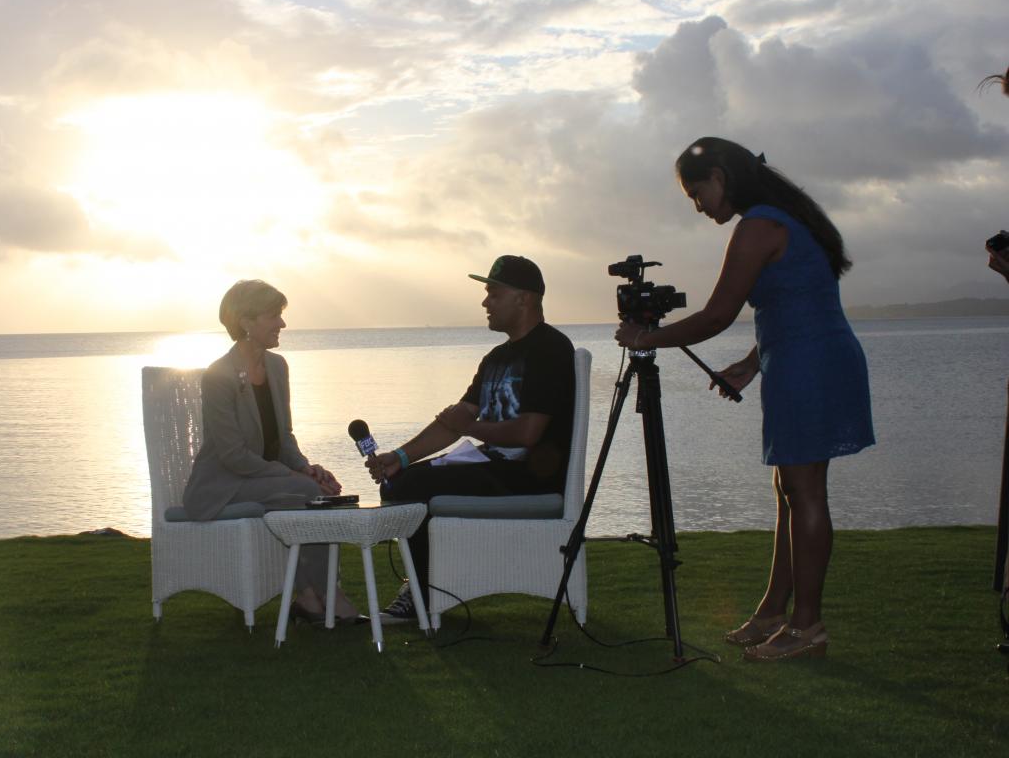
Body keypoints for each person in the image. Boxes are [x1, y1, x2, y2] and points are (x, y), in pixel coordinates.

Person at [616, 137, 875, 661]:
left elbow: (716, 316)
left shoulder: (758, 225)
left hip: (810, 365)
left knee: (805, 493)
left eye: (698, 192)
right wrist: (753, 363)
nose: (698, 205)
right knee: (789, 490)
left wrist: (645, 339)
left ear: (721, 176)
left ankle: (808, 628)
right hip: (798, 360)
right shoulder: (779, 217)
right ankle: (774, 613)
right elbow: (793, 301)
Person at [365, 256, 576, 623]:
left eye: (494, 293)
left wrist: (471, 429)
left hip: (530, 477)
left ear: (524, 299)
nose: (485, 303)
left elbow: (528, 432)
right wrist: (400, 456)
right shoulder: (496, 357)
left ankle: (422, 593)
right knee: (399, 480)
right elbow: (454, 421)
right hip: (493, 468)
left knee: (411, 488)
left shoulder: (551, 350)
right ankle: (425, 586)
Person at [182, 279, 363, 624]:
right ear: (246, 322)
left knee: (313, 494)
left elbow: (284, 439)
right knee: (308, 493)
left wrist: (307, 468)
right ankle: (330, 594)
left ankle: (310, 598)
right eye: (273, 316)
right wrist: (293, 476)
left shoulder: (278, 368)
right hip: (222, 485)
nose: (282, 324)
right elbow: (232, 455)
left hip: (264, 479)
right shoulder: (218, 376)